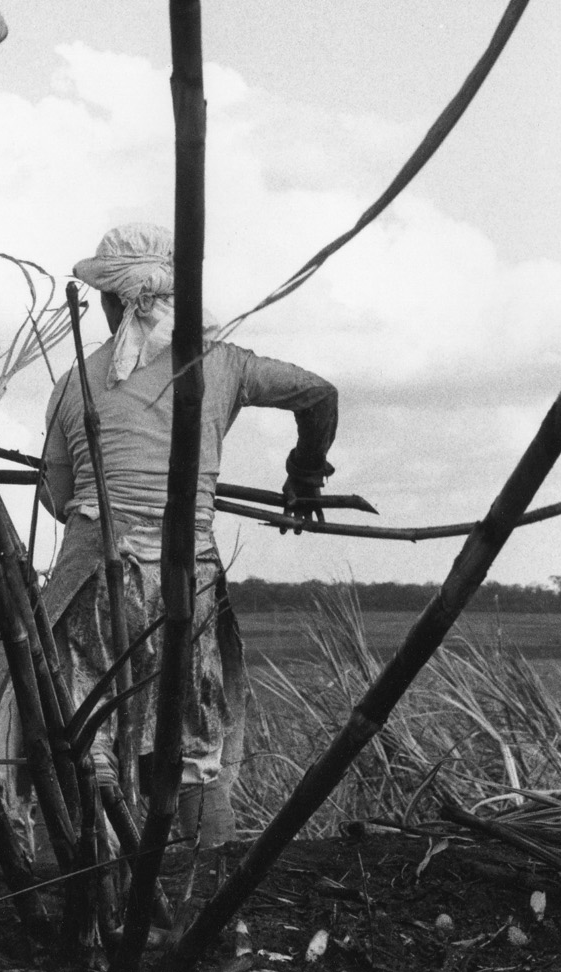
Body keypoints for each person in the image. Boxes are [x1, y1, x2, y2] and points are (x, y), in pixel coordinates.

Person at [38, 222, 340, 849]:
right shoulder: (223, 364)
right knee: (195, 745)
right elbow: (319, 394)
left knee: (91, 739)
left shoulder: (72, 384)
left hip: (91, 573)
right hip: (187, 576)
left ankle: (102, 893)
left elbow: (58, 499)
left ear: (109, 300)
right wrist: (304, 473)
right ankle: (207, 897)